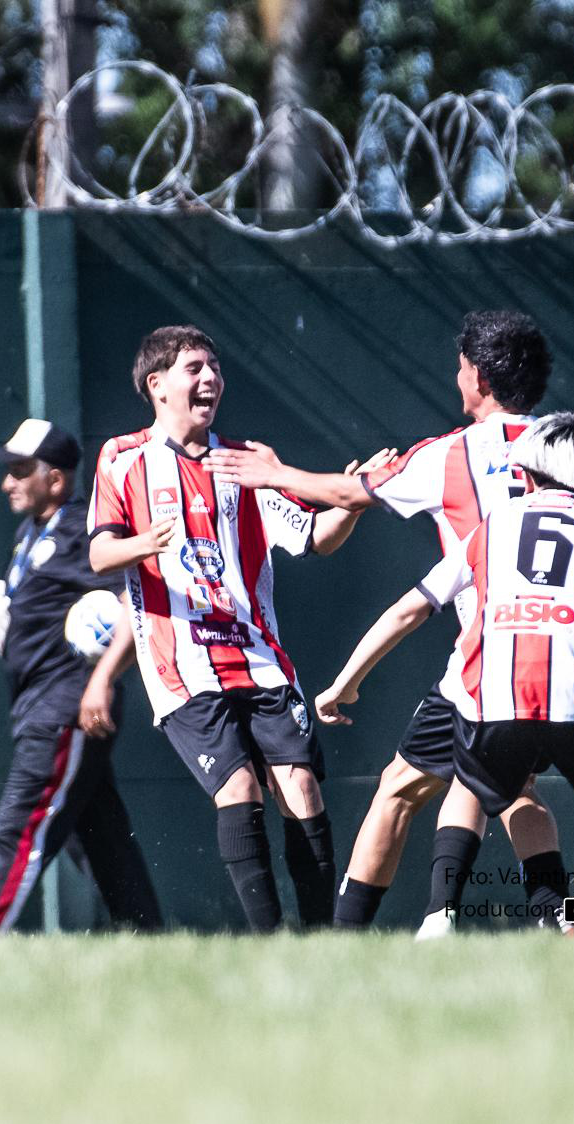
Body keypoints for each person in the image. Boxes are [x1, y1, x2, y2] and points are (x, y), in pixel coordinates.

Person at [206, 310, 569, 937]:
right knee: (530, 787)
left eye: (461, 367)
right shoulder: (569, 445)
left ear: (479, 377)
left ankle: (363, 935)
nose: (457, 377)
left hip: (490, 655)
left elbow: (352, 494)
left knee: (404, 788)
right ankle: (564, 920)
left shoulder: (452, 454)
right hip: (570, 651)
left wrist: (274, 474)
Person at [314, 413, 574, 929]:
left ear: (526, 477)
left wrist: (344, 683)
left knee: (478, 774)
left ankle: (431, 918)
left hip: (486, 696)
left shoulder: (492, 527)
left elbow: (410, 609)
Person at [87, 325, 382, 932]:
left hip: (261, 660)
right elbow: (99, 557)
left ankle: (325, 942)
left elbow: (315, 539)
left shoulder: (244, 461)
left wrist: (352, 502)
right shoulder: (123, 459)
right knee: (240, 791)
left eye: (215, 368)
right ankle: (267, 944)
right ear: (157, 384)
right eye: (194, 368)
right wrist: (148, 543)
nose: (210, 379)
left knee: (302, 790)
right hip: (181, 667)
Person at [0, 418, 163, 935]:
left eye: (19, 470)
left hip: (67, 705)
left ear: (56, 479)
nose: (7, 482)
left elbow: (135, 603)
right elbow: (21, 608)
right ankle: (154, 944)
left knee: (19, 828)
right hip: (41, 704)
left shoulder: (80, 530)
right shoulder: (30, 533)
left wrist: (102, 680)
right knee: (101, 838)